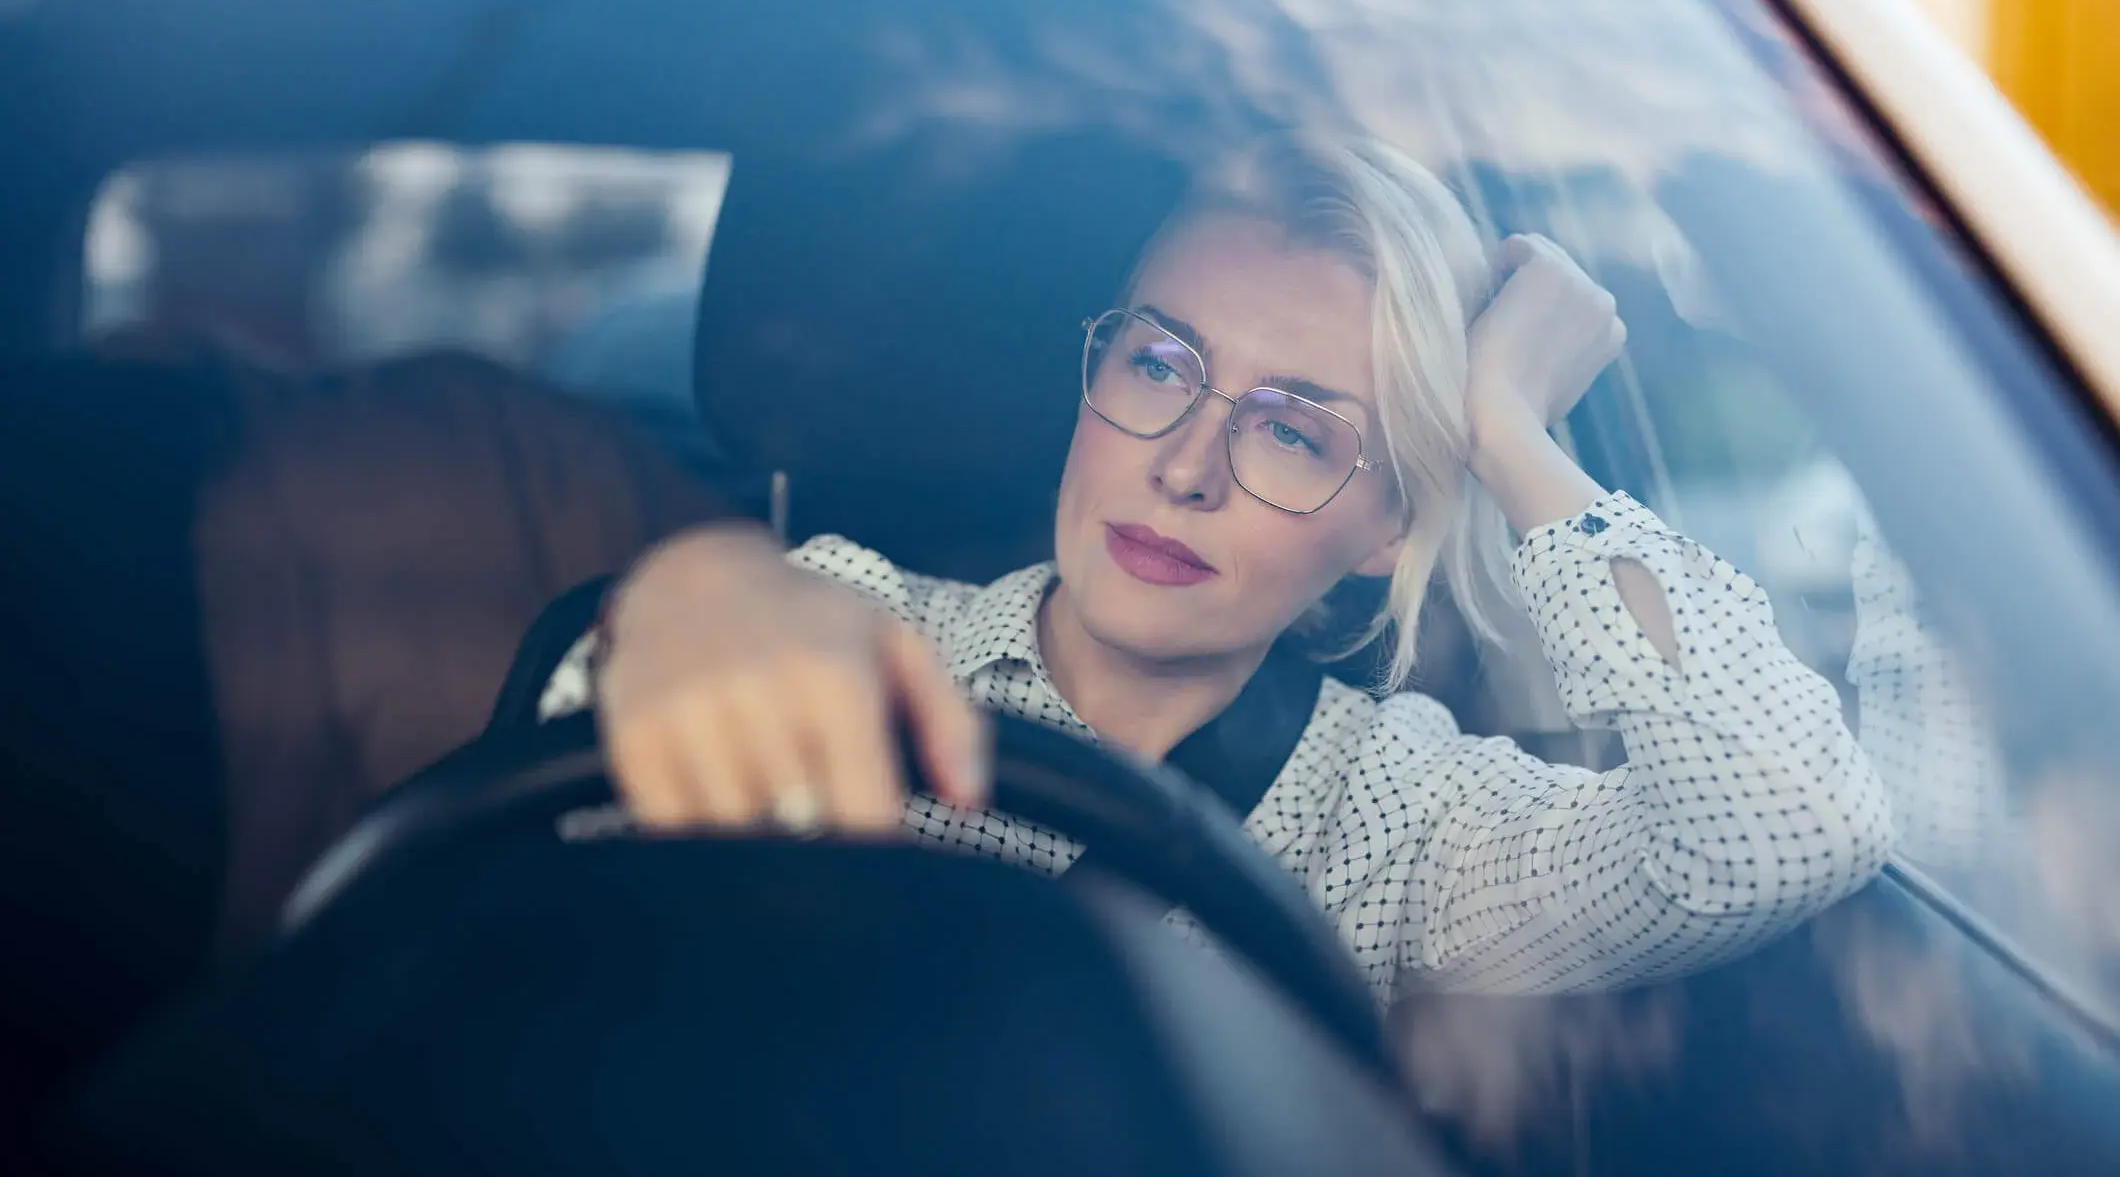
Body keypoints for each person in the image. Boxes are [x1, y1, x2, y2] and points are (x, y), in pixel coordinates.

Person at [537, 135, 1894, 999]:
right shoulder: (841, 619)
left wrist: (1511, 438)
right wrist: (684, 597)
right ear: (1094, 372)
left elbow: (1786, 828)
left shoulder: (1401, 821)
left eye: (1297, 431)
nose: (1184, 465)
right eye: (1160, 365)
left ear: (1386, 534)